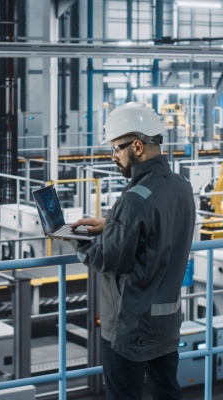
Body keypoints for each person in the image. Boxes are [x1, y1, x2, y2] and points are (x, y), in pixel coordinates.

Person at [70, 102, 196, 400]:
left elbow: (108, 259)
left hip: (130, 326)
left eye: (116, 148)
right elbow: (154, 231)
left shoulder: (133, 200)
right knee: (167, 392)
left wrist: (76, 238)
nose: (113, 157)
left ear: (137, 146)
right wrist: (112, 223)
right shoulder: (181, 186)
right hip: (166, 320)